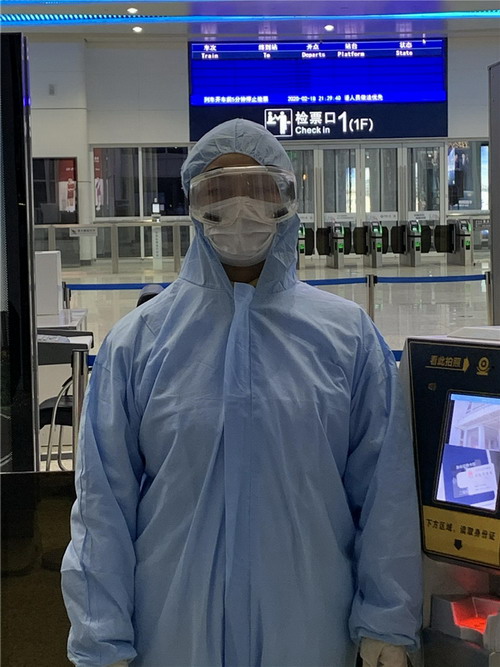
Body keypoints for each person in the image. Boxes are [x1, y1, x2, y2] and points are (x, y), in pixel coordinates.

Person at [61, 118, 422, 667]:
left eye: (256, 188)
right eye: (220, 191)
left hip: (308, 634)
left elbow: (385, 493)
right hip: (173, 636)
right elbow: (102, 508)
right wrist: (101, 641)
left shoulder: (346, 338)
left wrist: (387, 622)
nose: (241, 208)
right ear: (194, 203)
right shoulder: (138, 344)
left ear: (285, 199)